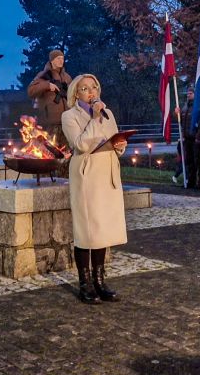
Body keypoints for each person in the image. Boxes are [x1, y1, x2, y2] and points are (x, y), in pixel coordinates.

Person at [61, 73, 129, 304]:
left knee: (102, 230)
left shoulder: (107, 113)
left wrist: (120, 145)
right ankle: (85, 284)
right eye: (85, 88)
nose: (91, 92)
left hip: (107, 174)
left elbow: (114, 139)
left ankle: (100, 282)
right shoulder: (69, 116)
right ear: (75, 94)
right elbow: (80, 145)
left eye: (94, 87)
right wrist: (94, 118)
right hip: (86, 175)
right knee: (86, 230)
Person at [27, 49, 72, 146]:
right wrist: (47, 85)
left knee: (67, 150)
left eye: (62, 58)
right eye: (58, 58)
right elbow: (31, 91)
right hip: (50, 124)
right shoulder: (43, 75)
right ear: (52, 60)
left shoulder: (67, 77)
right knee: (51, 150)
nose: (61, 61)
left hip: (67, 122)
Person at [176, 87, 200, 189]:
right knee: (189, 161)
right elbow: (182, 122)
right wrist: (176, 114)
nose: (188, 95)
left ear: (195, 94)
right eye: (187, 93)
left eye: (191, 93)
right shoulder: (185, 107)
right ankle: (191, 182)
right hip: (187, 139)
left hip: (197, 139)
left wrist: (198, 137)